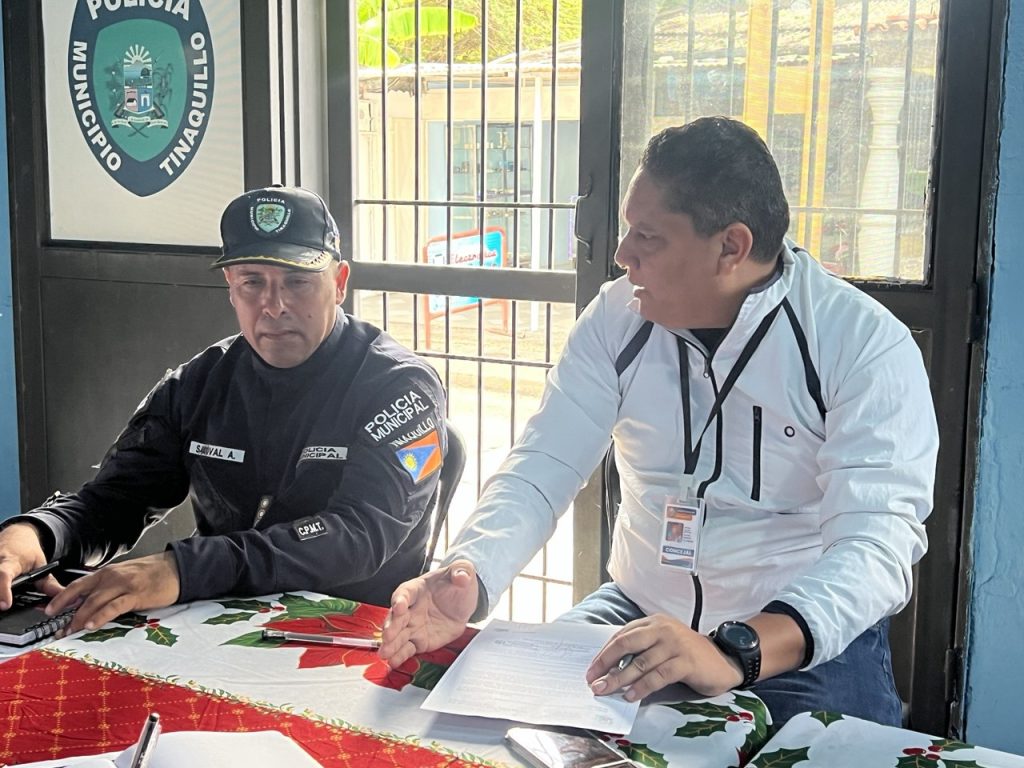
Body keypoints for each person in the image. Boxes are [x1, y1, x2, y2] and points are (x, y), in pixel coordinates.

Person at [380, 117, 938, 728]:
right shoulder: (616, 319)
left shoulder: (859, 343)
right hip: (637, 612)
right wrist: (471, 569)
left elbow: (874, 544)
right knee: (498, 731)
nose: (622, 256)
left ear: (731, 247)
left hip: (793, 640)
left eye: (647, 237)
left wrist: (737, 650)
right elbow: (542, 466)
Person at [0, 185, 447, 635]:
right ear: (231, 288)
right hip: (214, 622)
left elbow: (358, 535)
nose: (274, 306)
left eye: (298, 281)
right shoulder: (199, 382)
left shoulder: (400, 388)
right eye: (253, 282)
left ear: (340, 283)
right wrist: (37, 533)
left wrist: (183, 569)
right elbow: (116, 500)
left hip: (356, 633)